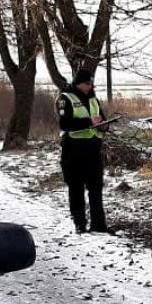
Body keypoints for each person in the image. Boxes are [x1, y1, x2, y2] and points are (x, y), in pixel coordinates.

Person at [57, 69, 107, 234]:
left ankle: (99, 225)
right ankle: (80, 223)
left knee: (96, 187)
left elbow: (102, 118)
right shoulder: (65, 98)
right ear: (78, 83)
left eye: (91, 83)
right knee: (76, 187)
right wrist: (89, 122)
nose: (89, 86)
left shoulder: (93, 99)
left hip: (93, 147)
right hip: (74, 149)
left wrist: (104, 125)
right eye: (86, 83)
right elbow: (65, 124)